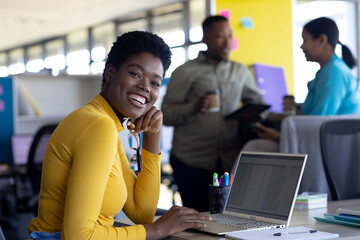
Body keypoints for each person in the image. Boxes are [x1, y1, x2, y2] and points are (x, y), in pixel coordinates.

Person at [28, 31, 211, 240]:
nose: (145, 87)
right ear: (110, 73)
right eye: (135, 74)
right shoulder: (99, 125)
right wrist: (158, 230)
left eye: (155, 83)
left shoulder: (102, 122)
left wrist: (153, 136)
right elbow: (78, 236)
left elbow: (142, 212)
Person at [161, 15, 264, 212]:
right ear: (205, 38)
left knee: (230, 218)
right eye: (219, 36)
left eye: (230, 36)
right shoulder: (186, 71)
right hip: (191, 159)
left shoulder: (240, 71)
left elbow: (257, 102)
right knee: (196, 219)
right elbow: (167, 114)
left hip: (229, 159)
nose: (227, 42)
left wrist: (254, 114)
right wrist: (194, 106)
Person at [242, 16, 360, 152]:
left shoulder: (334, 72)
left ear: (322, 40)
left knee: (254, 148)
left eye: (305, 40)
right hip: (323, 143)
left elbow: (320, 122)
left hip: (331, 148)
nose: (302, 46)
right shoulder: (329, 70)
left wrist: (278, 136)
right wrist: (298, 107)